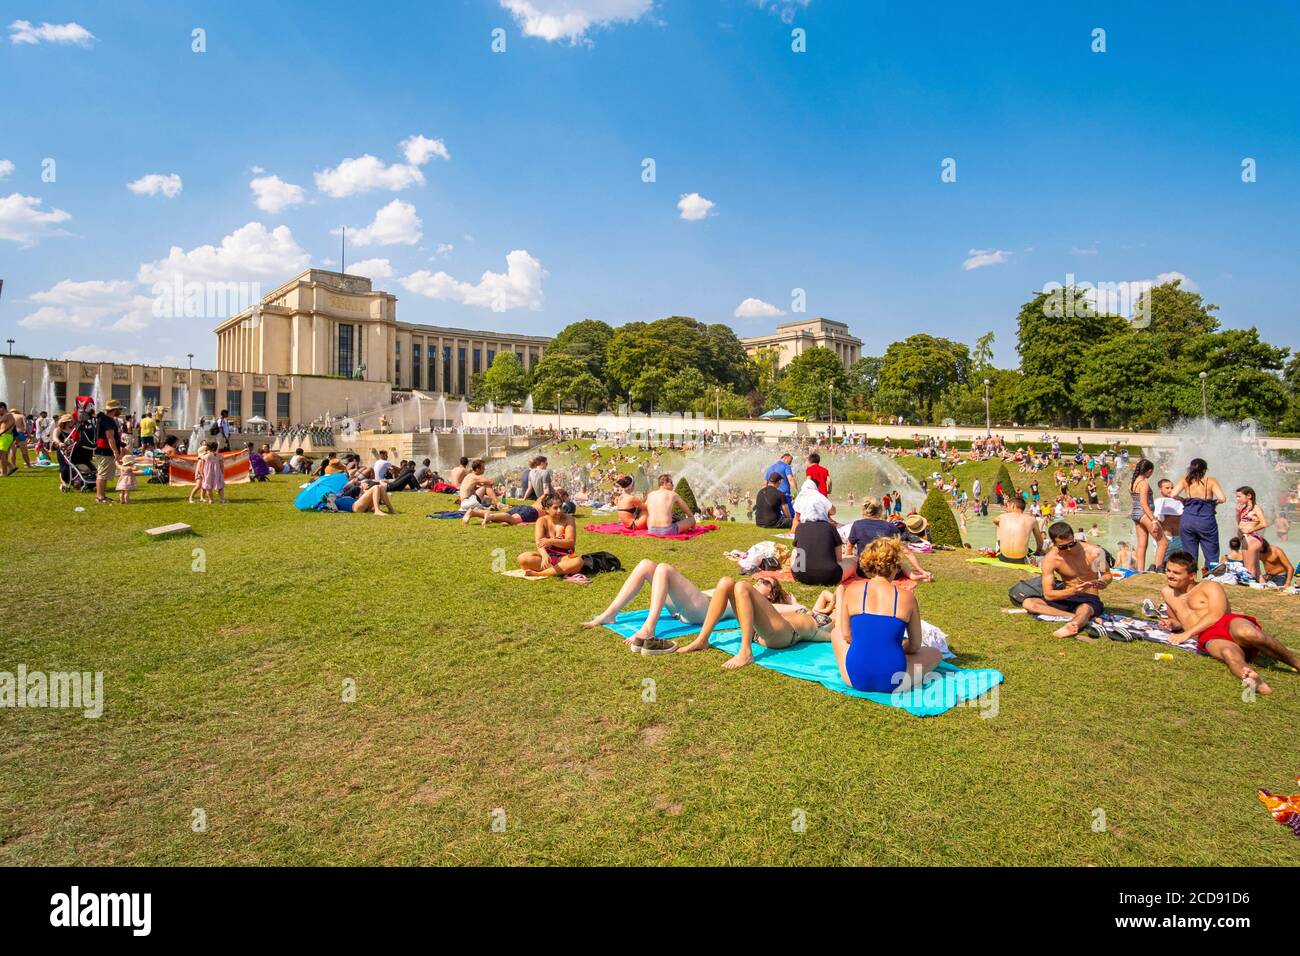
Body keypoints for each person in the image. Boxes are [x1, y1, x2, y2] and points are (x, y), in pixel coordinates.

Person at [1160, 550, 1300, 694]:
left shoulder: (1209, 586)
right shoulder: (1167, 592)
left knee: (1250, 634)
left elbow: (1217, 614)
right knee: (1229, 653)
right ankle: (1251, 679)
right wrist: (1171, 623)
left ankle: (1297, 663)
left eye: (1176, 573)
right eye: (1168, 571)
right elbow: (1177, 620)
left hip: (1227, 623)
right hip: (1209, 637)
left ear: (1191, 576)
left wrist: (1186, 634)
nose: (1170, 575)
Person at [832, 537, 941, 693]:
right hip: (894, 679)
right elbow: (915, 645)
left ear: (867, 565)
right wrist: (897, 646)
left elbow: (847, 635)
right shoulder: (907, 597)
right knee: (935, 654)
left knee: (836, 633)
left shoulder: (852, 590)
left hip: (855, 678)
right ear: (896, 567)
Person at [677, 576, 836, 669]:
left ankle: (745, 652)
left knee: (742, 586)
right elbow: (824, 594)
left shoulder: (831, 624)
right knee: (726, 581)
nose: (760, 581)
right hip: (759, 630)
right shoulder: (776, 608)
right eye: (760, 579)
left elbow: (834, 634)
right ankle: (702, 639)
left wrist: (834, 607)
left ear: (770, 595)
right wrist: (829, 603)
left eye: (766, 583)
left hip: (786, 634)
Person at [1013, 521, 1112, 639]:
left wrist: (1103, 581)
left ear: (1074, 537)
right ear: (1053, 543)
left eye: (1072, 544)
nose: (1069, 549)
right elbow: (1049, 594)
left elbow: (1107, 575)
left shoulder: (1094, 552)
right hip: (1066, 595)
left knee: (1085, 610)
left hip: (1089, 597)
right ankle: (1075, 616)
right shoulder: (1052, 559)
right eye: (1063, 547)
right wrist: (1073, 591)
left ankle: (1073, 625)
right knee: (1029, 603)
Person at [791, 479, 856, 586]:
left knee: (794, 553)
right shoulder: (830, 528)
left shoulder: (800, 528)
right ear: (823, 511)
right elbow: (839, 559)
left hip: (800, 576)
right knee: (852, 562)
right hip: (830, 577)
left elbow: (799, 553)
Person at [1170, 458, 1225, 574]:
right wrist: (1214, 502)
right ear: (1205, 470)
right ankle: (1209, 574)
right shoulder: (1211, 481)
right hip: (1206, 518)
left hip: (1188, 518)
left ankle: (1191, 576)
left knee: (1189, 552)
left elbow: (1173, 494)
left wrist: (1184, 500)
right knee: (1211, 550)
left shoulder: (1186, 480)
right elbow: (1222, 498)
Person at [517, 493, 583, 577]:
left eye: (561, 507)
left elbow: (570, 542)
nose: (559, 510)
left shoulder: (569, 519)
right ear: (546, 509)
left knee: (578, 562)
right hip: (547, 557)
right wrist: (544, 555)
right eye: (555, 508)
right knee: (523, 558)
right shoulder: (541, 521)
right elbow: (539, 543)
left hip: (564, 558)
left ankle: (539, 573)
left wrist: (551, 541)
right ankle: (558, 570)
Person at [1129, 458, 1162, 571]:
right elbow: (1144, 503)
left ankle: (1140, 570)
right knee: (1163, 542)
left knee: (1142, 545)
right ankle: (1158, 570)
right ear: (1149, 471)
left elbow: (1135, 501)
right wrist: (1153, 520)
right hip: (1144, 514)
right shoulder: (1143, 483)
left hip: (1135, 514)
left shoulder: (1133, 482)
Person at [90, 399, 124, 504]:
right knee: (102, 473)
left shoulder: (102, 418)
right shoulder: (108, 420)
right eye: (119, 409)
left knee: (103, 473)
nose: (120, 411)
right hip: (105, 450)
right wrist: (115, 452)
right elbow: (110, 438)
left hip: (101, 449)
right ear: (114, 410)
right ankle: (100, 496)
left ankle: (102, 495)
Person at [993, 494, 1042, 564]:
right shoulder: (1032, 519)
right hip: (1021, 560)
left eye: (1008, 506)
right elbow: (1040, 542)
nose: (1006, 508)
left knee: (998, 524)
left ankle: (999, 549)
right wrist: (1038, 552)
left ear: (1013, 506)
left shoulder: (1002, 517)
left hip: (1003, 558)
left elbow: (994, 520)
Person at [1234, 486, 1269, 580]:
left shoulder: (1256, 508)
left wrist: (1250, 530)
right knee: (1256, 569)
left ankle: (1250, 584)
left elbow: (1264, 523)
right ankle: (1262, 585)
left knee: (1249, 567)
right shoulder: (1245, 508)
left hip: (1251, 538)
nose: (1237, 499)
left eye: (1239, 496)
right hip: (1245, 538)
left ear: (1249, 496)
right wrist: (1237, 513)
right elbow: (1240, 523)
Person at [1151, 477, 1183, 571]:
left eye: (1172, 487)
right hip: (1165, 538)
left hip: (1179, 538)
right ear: (1160, 489)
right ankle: (1157, 573)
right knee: (1161, 565)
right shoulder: (1159, 502)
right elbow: (1155, 518)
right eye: (1167, 488)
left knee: (1178, 564)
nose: (1170, 490)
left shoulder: (1180, 501)